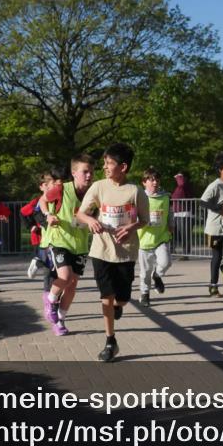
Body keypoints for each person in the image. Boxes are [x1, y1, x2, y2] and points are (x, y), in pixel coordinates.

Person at [76, 143, 150, 363]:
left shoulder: (135, 191)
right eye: (105, 163)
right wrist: (90, 220)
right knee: (106, 296)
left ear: (123, 167)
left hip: (125, 253)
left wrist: (130, 227)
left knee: (122, 298)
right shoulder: (99, 187)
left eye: (109, 163)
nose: (105, 167)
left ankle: (119, 306)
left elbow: (144, 220)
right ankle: (110, 341)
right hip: (101, 250)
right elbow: (81, 213)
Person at [40, 155, 94, 337]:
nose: (89, 175)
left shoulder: (93, 193)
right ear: (74, 173)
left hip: (79, 244)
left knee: (72, 284)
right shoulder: (61, 189)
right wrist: (48, 214)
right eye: (84, 172)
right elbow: (42, 200)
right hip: (60, 240)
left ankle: (61, 321)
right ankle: (50, 299)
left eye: (91, 172)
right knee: (65, 275)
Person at [200, 153, 223, 297]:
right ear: (222, 170)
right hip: (214, 226)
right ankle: (213, 286)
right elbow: (203, 202)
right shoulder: (215, 185)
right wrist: (220, 209)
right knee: (217, 256)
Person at [137, 167, 172, 306]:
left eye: (157, 179)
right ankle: (145, 294)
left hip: (161, 237)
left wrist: (171, 224)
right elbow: (134, 216)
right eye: (151, 180)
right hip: (144, 240)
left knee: (166, 262)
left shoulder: (165, 196)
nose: (155, 182)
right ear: (144, 182)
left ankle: (157, 275)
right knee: (145, 272)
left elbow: (170, 212)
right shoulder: (140, 198)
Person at [22, 169, 62, 281]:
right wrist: (31, 226)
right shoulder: (37, 201)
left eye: (53, 183)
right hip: (40, 238)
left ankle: (52, 290)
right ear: (41, 187)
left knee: (52, 266)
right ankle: (38, 262)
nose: (49, 187)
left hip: (54, 237)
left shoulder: (57, 198)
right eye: (46, 184)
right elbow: (24, 212)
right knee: (49, 267)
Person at [170, 172, 194, 257]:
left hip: (184, 214)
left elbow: (181, 185)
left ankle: (185, 254)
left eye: (180, 178)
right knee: (174, 233)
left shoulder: (183, 186)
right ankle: (173, 250)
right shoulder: (180, 188)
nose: (178, 180)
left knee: (185, 235)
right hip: (177, 214)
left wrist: (179, 176)